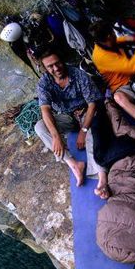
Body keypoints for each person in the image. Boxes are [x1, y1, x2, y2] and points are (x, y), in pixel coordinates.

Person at [34, 48, 109, 199]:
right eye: (50, 66)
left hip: (85, 113)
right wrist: (55, 136)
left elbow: (92, 104)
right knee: (40, 127)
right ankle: (74, 164)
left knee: (92, 136)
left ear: (62, 61)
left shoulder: (78, 74)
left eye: (57, 63)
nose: (56, 68)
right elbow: (45, 110)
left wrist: (84, 130)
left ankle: (102, 178)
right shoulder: (44, 83)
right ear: (45, 68)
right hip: (66, 117)